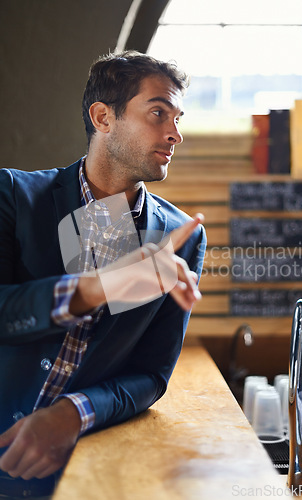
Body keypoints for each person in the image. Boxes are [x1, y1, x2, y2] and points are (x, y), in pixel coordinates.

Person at [0, 50, 206, 497]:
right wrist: (101, 286)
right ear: (103, 117)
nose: (176, 134)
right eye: (158, 113)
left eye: (178, 118)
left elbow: (151, 374)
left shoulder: (182, 237)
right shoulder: (14, 196)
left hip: (85, 472)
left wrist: (74, 413)